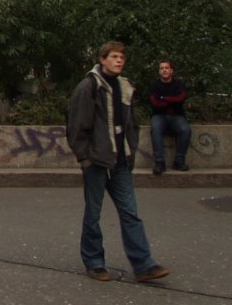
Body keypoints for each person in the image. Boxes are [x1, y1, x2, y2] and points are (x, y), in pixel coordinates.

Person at [67, 41, 170, 284]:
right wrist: (85, 157)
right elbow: (76, 126)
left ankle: (143, 264)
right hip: (97, 161)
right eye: (114, 56)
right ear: (102, 59)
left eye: (122, 57)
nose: (119, 61)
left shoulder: (124, 86)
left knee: (130, 212)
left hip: (121, 160)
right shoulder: (89, 87)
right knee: (94, 213)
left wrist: (130, 150)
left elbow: (131, 123)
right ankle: (94, 262)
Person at [148, 59, 191, 175]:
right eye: (162, 68)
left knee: (185, 130)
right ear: (159, 71)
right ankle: (159, 163)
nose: (164, 70)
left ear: (171, 71)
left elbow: (180, 99)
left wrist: (162, 98)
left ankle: (179, 162)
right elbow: (155, 103)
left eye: (166, 68)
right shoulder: (154, 85)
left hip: (177, 116)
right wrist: (172, 100)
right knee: (155, 129)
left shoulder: (179, 84)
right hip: (159, 116)